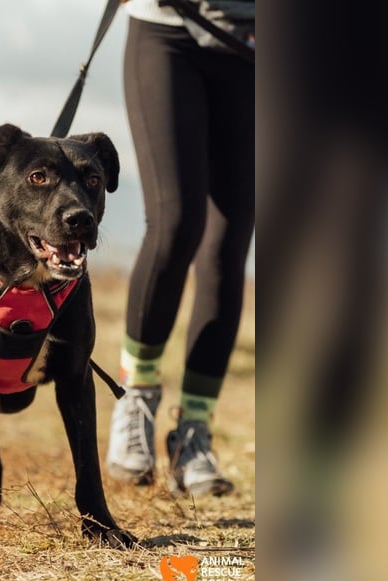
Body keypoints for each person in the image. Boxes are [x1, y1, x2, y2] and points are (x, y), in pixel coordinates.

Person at [105, 0, 255, 496]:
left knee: (228, 241)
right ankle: (136, 397)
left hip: (254, 44)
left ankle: (194, 433)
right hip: (165, 31)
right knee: (176, 222)